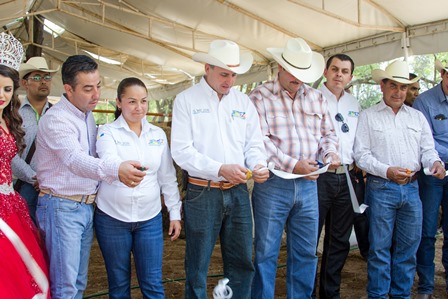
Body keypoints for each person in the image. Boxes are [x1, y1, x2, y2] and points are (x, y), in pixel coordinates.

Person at [35, 55, 146, 299]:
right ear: (68, 89)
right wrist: (116, 170)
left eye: (98, 85)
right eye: (87, 88)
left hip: (83, 207)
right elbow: (75, 160)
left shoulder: (86, 115)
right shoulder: (57, 120)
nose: (96, 94)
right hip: (62, 205)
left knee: (78, 282)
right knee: (65, 286)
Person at [171, 39, 269, 298]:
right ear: (207, 68)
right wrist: (219, 168)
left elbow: (253, 144)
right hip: (203, 192)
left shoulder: (243, 102)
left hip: (237, 190)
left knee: (241, 261)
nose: (230, 80)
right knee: (198, 263)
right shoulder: (186, 100)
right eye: (224, 73)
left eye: (234, 74)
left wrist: (258, 165)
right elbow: (181, 151)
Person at [249, 37, 340, 298]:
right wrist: (293, 165)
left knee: (306, 251)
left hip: (310, 184)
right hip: (274, 183)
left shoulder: (316, 98)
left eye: (303, 73)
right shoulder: (259, 97)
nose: (298, 78)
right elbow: (258, 141)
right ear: (280, 66)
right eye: (294, 72)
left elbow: (328, 134)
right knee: (265, 251)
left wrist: (330, 152)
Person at [354, 60, 445, 299]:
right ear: (382, 86)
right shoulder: (368, 116)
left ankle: (401, 295)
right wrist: (387, 171)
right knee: (380, 249)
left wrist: (435, 163)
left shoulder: (416, 117)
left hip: (412, 188)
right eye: (393, 85)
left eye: (403, 87)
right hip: (381, 186)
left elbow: (428, 150)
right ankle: (378, 295)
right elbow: (361, 156)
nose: (398, 92)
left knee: (407, 249)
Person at [94, 77, 182, 298]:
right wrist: (120, 169)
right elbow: (107, 160)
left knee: (152, 283)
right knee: (119, 284)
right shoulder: (107, 131)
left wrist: (174, 213)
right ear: (119, 102)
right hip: (112, 217)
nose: (139, 107)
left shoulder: (158, 135)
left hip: (149, 218)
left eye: (143, 101)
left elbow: (167, 176)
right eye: (132, 101)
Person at [0, 32, 50, 299]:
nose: (2, 94)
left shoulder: (9, 120)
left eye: (7, 89)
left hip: (12, 202)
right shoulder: (14, 115)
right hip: (9, 197)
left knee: (26, 266)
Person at [315, 53, 362, 299]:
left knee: (339, 242)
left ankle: (329, 294)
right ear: (325, 71)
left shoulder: (354, 104)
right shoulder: (311, 98)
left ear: (350, 76)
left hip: (348, 177)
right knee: (311, 239)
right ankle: (306, 292)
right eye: (335, 69)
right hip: (319, 176)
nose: (339, 75)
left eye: (344, 71)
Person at [413, 60, 448, 299]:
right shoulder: (424, 101)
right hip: (433, 174)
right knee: (427, 231)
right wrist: (440, 161)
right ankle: (426, 285)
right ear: (443, 74)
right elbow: (425, 141)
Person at [11, 56, 59, 223]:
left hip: (54, 188)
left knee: (50, 239)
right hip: (25, 186)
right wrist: (33, 177)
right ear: (25, 83)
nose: (43, 82)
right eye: (37, 78)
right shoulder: (14, 115)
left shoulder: (58, 114)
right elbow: (10, 154)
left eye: (47, 77)